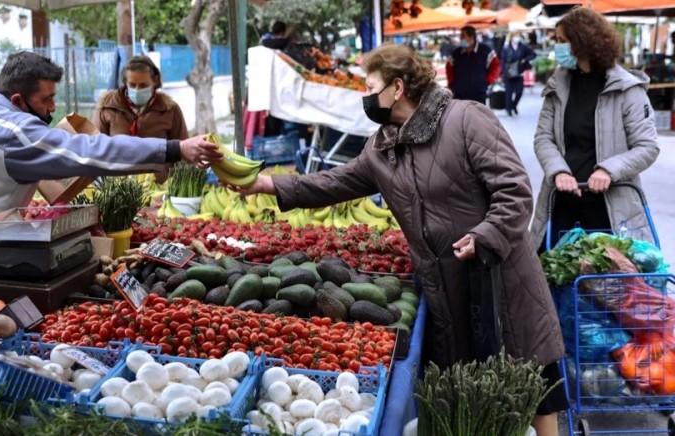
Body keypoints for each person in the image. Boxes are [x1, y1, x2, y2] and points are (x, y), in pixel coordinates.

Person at [236, 43, 565, 436]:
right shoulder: (382, 147)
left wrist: (485, 236)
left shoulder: (465, 120)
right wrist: (265, 184)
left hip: (499, 279)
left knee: (532, 385)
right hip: (445, 287)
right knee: (476, 398)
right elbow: (334, 182)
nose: (365, 95)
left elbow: (514, 192)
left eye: (369, 85)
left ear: (396, 87)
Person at [0, 52, 222, 273]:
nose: (53, 108)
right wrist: (176, 148)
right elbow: (95, 151)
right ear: (18, 100)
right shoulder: (16, 132)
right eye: (47, 99)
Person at [531, 7, 659, 251]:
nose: (557, 48)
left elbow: (647, 146)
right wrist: (559, 172)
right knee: (550, 278)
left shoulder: (627, 89)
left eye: (561, 41)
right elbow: (543, 138)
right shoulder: (557, 86)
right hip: (560, 204)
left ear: (581, 42)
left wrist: (608, 171)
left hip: (611, 209)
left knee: (609, 282)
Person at [93, 56, 188, 141]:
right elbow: (96, 147)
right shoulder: (107, 107)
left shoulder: (170, 109)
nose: (137, 90)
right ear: (125, 82)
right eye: (132, 85)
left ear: (154, 81)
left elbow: (183, 149)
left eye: (144, 85)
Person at [446, 26, 501, 103]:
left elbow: (496, 66)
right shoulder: (456, 53)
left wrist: (488, 81)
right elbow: (449, 68)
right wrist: (451, 84)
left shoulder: (485, 50)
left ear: (471, 37)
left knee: (478, 114)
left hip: (479, 93)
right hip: (459, 94)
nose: (460, 39)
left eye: (463, 37)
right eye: (460, 37)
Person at [501, 31, 536, 116]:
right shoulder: (506, 47)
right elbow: (502, 60)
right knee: (508, 93)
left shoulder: (523, 47)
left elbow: (533, 54)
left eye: (518, 36)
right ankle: (509, 109)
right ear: (511, 37)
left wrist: (525, 59)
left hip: (519, 73)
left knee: (519, 92)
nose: (517, 38)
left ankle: (514, 105)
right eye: (515, 36)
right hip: (508, 73)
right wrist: (502, 72)